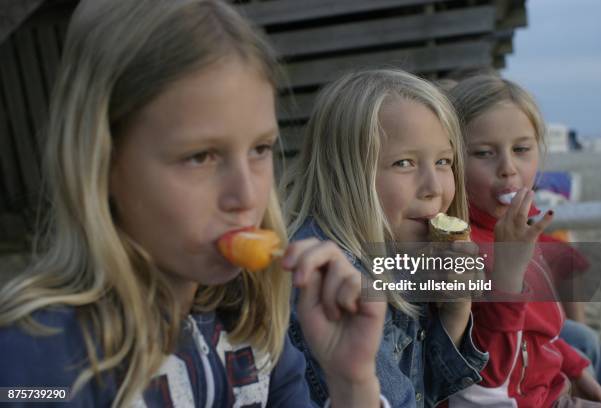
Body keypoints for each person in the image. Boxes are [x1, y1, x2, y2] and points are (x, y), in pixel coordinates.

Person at [0, 1, 388, 406]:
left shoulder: (253, 324)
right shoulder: (34, 358)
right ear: (102, 162)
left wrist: (353, 383)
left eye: (260, 149)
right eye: (200, 156)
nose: (246, 196)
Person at [280, 69, 488, 407]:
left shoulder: (397, 250)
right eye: (404, 163)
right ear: (344, 175)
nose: (434, 187)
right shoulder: (332, 282)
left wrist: (456, 309)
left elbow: (422, 390)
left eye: (443, 161)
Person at [449, 74, 601, 407]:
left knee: (586, 343)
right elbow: (480, 377)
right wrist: (506, 275)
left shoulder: (523, 222)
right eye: (483, 153)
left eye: (521, 149)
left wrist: (575, 367)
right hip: (521, 398)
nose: (508, 168)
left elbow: (536, 330)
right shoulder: (455, 247)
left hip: (546, 385)